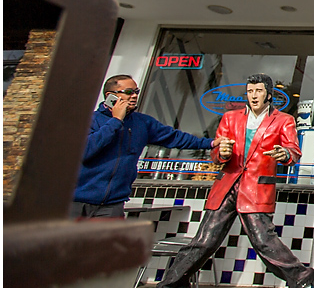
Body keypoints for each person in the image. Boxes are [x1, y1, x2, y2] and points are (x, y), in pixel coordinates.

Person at [154, 74, 314, 288]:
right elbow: (216, 152)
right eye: (250, 90)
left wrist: (283, 153)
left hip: (255, 189)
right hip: (227, 185)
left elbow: (294, 151)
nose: (253, 95)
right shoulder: (230, 118)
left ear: (268, 94)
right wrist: (222, 152)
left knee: (264, 242)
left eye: (258, 90)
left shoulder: (283, 120)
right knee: (205, 241)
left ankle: (303, 283)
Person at [72, 74, 224, 219]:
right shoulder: (90, 120)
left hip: (112, 206)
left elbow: (175, 137)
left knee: (105, 246)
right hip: (76, 202)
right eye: (129, 92)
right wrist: (116, 120)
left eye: (136, 91)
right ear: (110, 95)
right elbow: (85, 151)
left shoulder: (142, 123)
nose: (134, 96)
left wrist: (210, 143)